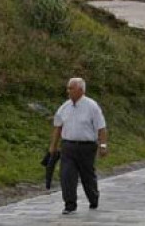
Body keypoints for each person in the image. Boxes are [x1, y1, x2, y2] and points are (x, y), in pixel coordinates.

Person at [49, 77, 109, 215]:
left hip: (87, 147)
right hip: (68, 146)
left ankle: (93, 197)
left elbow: (102, 128)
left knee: (87, 175)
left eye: (71, 88)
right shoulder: (64, 107)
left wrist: (103, 145)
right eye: (68, 88)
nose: (68, 91)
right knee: (67, 175)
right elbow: (58, 127)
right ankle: (70, 205)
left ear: (81, 90)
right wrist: (53, 146)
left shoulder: (92, 106)